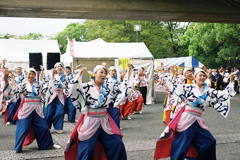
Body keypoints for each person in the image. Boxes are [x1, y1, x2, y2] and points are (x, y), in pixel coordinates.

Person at [154, 67, 236, 160]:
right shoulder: (188, 87)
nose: (202, 77)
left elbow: (223, 94)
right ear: (195, 77)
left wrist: (231, 81)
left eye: (203, 76)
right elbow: (174, 87)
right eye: (199, 75)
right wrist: (172, 75)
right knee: (182, 144)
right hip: (187, 119)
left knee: (209, 141)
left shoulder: (208, 91)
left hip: (198, 120)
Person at [64, 63, 132, 160]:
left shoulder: (110, 87)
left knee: (117, 143)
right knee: (87, 149)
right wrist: (78, 75)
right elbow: (72, 90)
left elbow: (123, 89)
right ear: (94, 74)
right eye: (101, 72)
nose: (104, 75)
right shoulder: (86, 86)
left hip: (104, 120)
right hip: (90, 121)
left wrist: (129, 72)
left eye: (105, 73)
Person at [2, 68, 61, 153]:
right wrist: (6, 77)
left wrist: (52, 75)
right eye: (29, 74)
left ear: (35, 75)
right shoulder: (23, 85)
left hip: (37, 109)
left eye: (33, 74)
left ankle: (48, 144)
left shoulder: (39, 84)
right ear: (26, 75)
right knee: (23, 128)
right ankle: (18, 147)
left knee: (44, 128)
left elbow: (49, 90)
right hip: (26, 109)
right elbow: (13, 92)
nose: (31, 75)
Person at [44, 62, 69, 133]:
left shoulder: (65, 77)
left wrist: (61, 84)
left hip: (60, 94)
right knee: (49, 112)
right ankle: (47, 127)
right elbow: (48, 84)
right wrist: (52, 74)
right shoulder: (50, 75)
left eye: (61, 66)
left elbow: (67, 85)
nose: (59, 68)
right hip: (52, 94)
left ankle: (57, 127)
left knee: (60, 112)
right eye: (58, 66)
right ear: (55, 68)